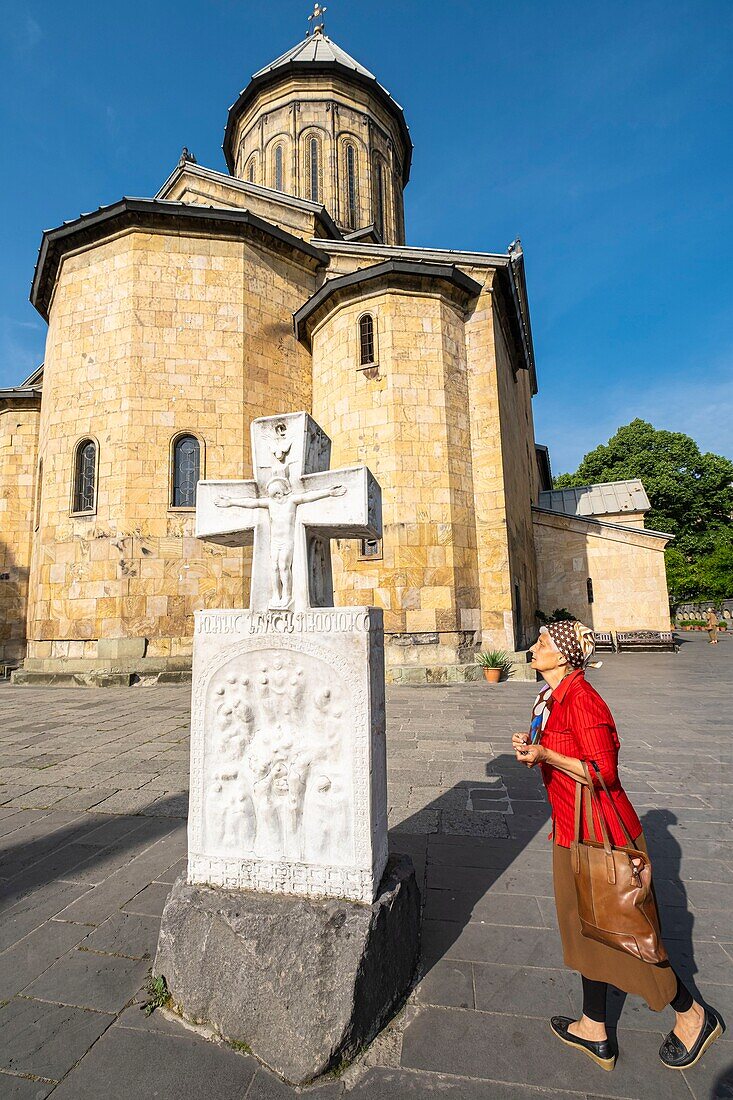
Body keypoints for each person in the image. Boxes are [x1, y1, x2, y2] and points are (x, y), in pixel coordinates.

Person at [512, 619, 722, 1072]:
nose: (534, 646)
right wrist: (535, 748)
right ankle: (594, 1026)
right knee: (587, 930)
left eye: (543, 642)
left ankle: (692, 1014)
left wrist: (547, 756)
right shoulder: (552, 698)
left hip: (604, 837)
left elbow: (604, 773)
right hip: (572, 832)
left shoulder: (584, 702)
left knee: (630, 935)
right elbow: (566, 757)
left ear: (565, 655)